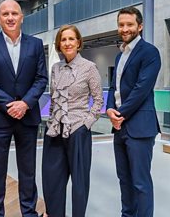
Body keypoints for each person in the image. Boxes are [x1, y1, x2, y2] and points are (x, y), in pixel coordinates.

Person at [0, 0, 48, 217]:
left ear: (21, 17)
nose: (10, 17)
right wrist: (10, 105)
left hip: (27, 117)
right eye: (5, 14)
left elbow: (41, 78)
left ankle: (29, 212)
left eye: (14, 13)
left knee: (27, 171)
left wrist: (25, 103)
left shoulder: (35, 44)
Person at [41, 25, 103, 217]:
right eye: (63, 39)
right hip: (54, 131)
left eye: (71, 39)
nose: (67, 43)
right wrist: (51, 121)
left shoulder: (89, 68)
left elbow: (98, 100)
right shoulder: (55, 68)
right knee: (52, 181)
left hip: (78, 130)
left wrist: (86, 124)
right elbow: (53, 99)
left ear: (78, 42)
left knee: (79, 182)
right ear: (59, 44)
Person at [106, 6, 161, 217]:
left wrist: (119, 115)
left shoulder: (150, 52)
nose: (125, 28)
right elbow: (113, 87)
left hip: (139, 127)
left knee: (140, 183)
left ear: (140, 26)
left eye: (129, 24)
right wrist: (110, 108)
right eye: (121, 25)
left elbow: (141, 89)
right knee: (124, 180)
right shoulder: (120, 56)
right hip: (119, 127)